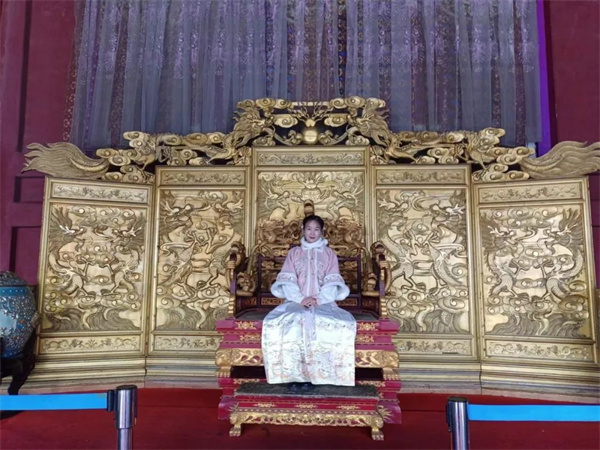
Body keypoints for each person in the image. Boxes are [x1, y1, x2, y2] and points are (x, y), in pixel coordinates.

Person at [261, 215, 356, 387]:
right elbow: (288, 280)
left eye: (316, 229)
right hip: (296, 301)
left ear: (322, 231)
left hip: (323, 302)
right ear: (303, 230)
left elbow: (332, 281)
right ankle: (293, 373)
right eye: (309, 229)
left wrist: (318, 299)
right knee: (285, 320)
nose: (312, 233)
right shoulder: (294, 253)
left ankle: (324, 373)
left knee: (335, 322)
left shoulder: (329, 254)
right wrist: (300, 298)